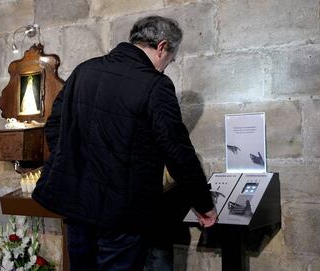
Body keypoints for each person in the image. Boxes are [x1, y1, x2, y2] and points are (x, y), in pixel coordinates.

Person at [32, 15, 217, 271]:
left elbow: (54, 127)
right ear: (162, 47)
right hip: (121, 213)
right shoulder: (155, 84)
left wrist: (76, 160)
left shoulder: (84, 70)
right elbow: (177, 151)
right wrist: (204, 204)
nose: (167, 66)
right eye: (171, 60)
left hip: (77, 206)